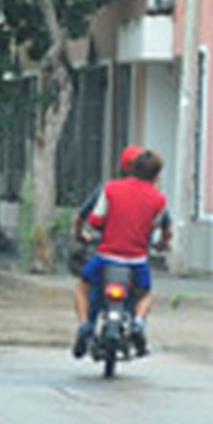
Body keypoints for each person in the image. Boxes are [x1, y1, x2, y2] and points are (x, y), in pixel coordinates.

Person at [73, 148, 171, 358]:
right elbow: (154, 227)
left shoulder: (110, 189)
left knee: (82, 286)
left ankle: (83, 326)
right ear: (155, 175)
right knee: (145, 295)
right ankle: (137, 324)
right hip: (137, 261)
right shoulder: (159, 200)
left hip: (106, 257)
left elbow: (94, 221)